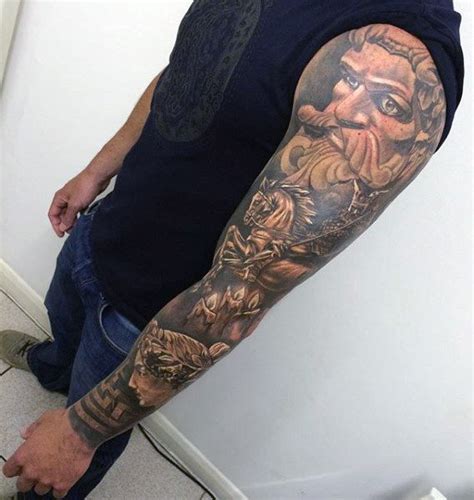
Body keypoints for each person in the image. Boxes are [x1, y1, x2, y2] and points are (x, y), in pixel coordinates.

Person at [0, 0, 464, 498]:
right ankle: (54, 368)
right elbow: (189, 69)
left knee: (67, 457)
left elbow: (237, 296)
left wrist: (79, 433)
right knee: (64, 323)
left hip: (147, 311)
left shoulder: (403, 59)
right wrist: (97, 170)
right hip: (106, 227)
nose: (345, 106)